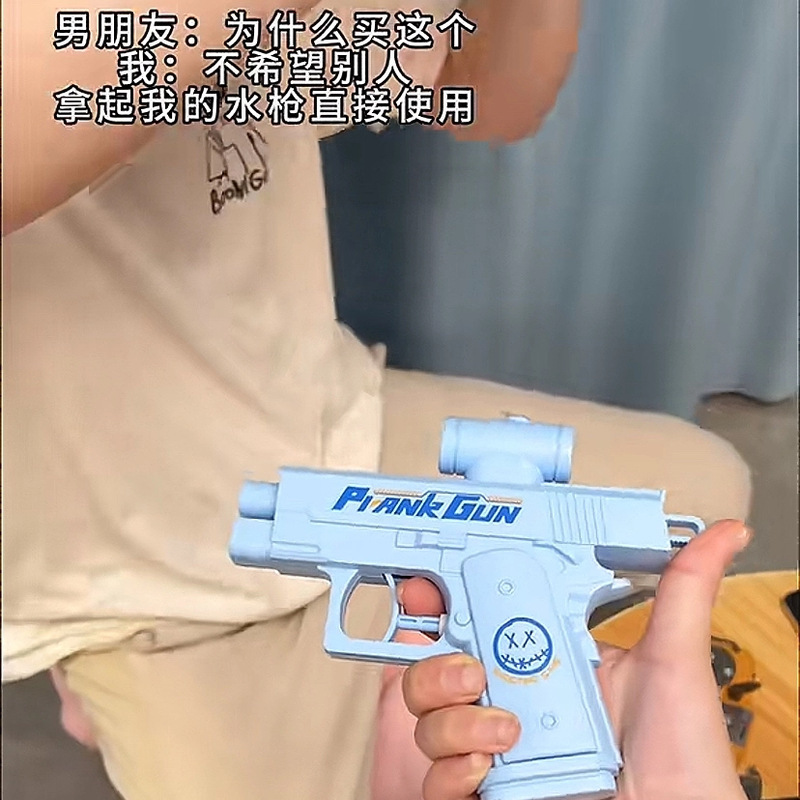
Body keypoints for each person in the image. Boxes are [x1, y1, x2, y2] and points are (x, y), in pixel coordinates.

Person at [3, 1, 751, 798]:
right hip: (132, 580)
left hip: (325, 434)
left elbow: (487, 97)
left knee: (706, 497)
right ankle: (83, 658)